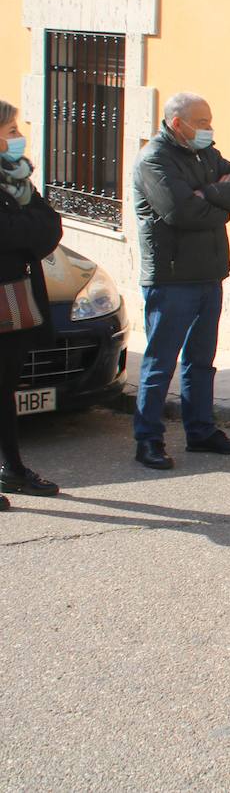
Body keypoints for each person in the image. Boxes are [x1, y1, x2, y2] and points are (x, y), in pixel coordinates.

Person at [131, 92, 230, 469]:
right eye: (201, 122)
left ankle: (200, 431)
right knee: (160, 361)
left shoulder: (208, 154)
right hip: (171, 279)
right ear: (176, 123)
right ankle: (148, 439)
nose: (208, 128)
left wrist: (210, 193)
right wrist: (218, 204)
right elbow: (180, 212)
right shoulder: (154, 160)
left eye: (210, 120)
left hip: (208, 274)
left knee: (201, 360)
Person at [0, 101, 62, 503]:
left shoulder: (20, 181)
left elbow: (50, 227)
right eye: (10, 130)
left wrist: (23, 229)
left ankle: (12, 471)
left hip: (16, 302)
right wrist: (26, 229)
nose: (18, 137)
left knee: (6, 388)